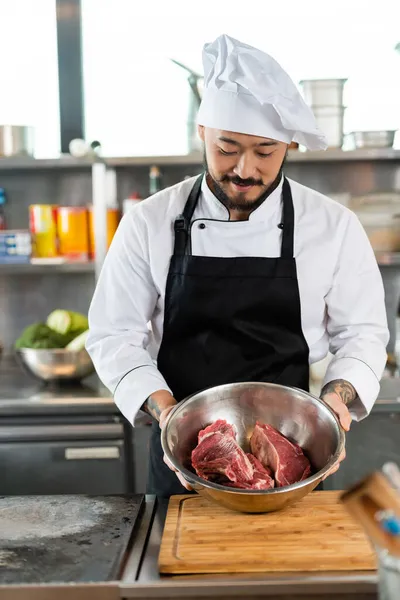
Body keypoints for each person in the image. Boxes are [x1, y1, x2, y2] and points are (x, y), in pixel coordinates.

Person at [86, 34, 389, 497]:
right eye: (228, 148)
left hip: (294, 459)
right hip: (182, 460)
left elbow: (363, 334)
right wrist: (167, 413)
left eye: (265, 152)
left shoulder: (332, 226)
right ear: (202, 132)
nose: (245, 170)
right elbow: (114, 335)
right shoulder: (149, 222)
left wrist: (335, 402)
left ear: (289, 144)